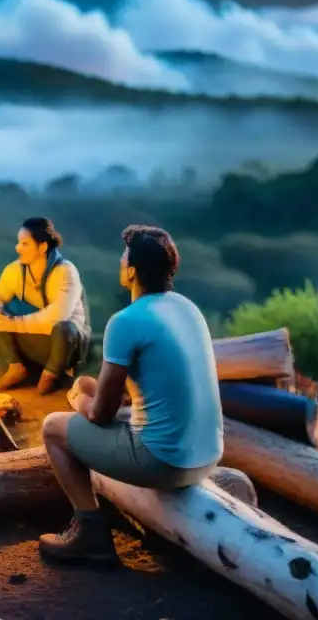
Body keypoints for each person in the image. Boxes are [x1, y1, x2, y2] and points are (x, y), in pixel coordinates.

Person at [37, 225, 224, 563]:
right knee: (88, 385)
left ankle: (90, 534)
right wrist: (86, 390)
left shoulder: (126, 321)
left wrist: (75, 399)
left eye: (124, 258)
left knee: (53, 426)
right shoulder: (188, 308)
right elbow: (134, 390)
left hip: (166, 461)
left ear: (133, 271)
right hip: (209, 455)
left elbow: (99, 416)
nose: (120, 263)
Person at [0, 217, 91, 395]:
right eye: (19, 243)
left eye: (25, 244)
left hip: (65, 344)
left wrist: (13, 323)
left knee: (64, 328)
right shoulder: (14, 270)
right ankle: (15, 367)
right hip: (35, 337)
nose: (18, 248)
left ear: (43, 247)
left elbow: (57, 317)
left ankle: (52, 374)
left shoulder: (66, 271)